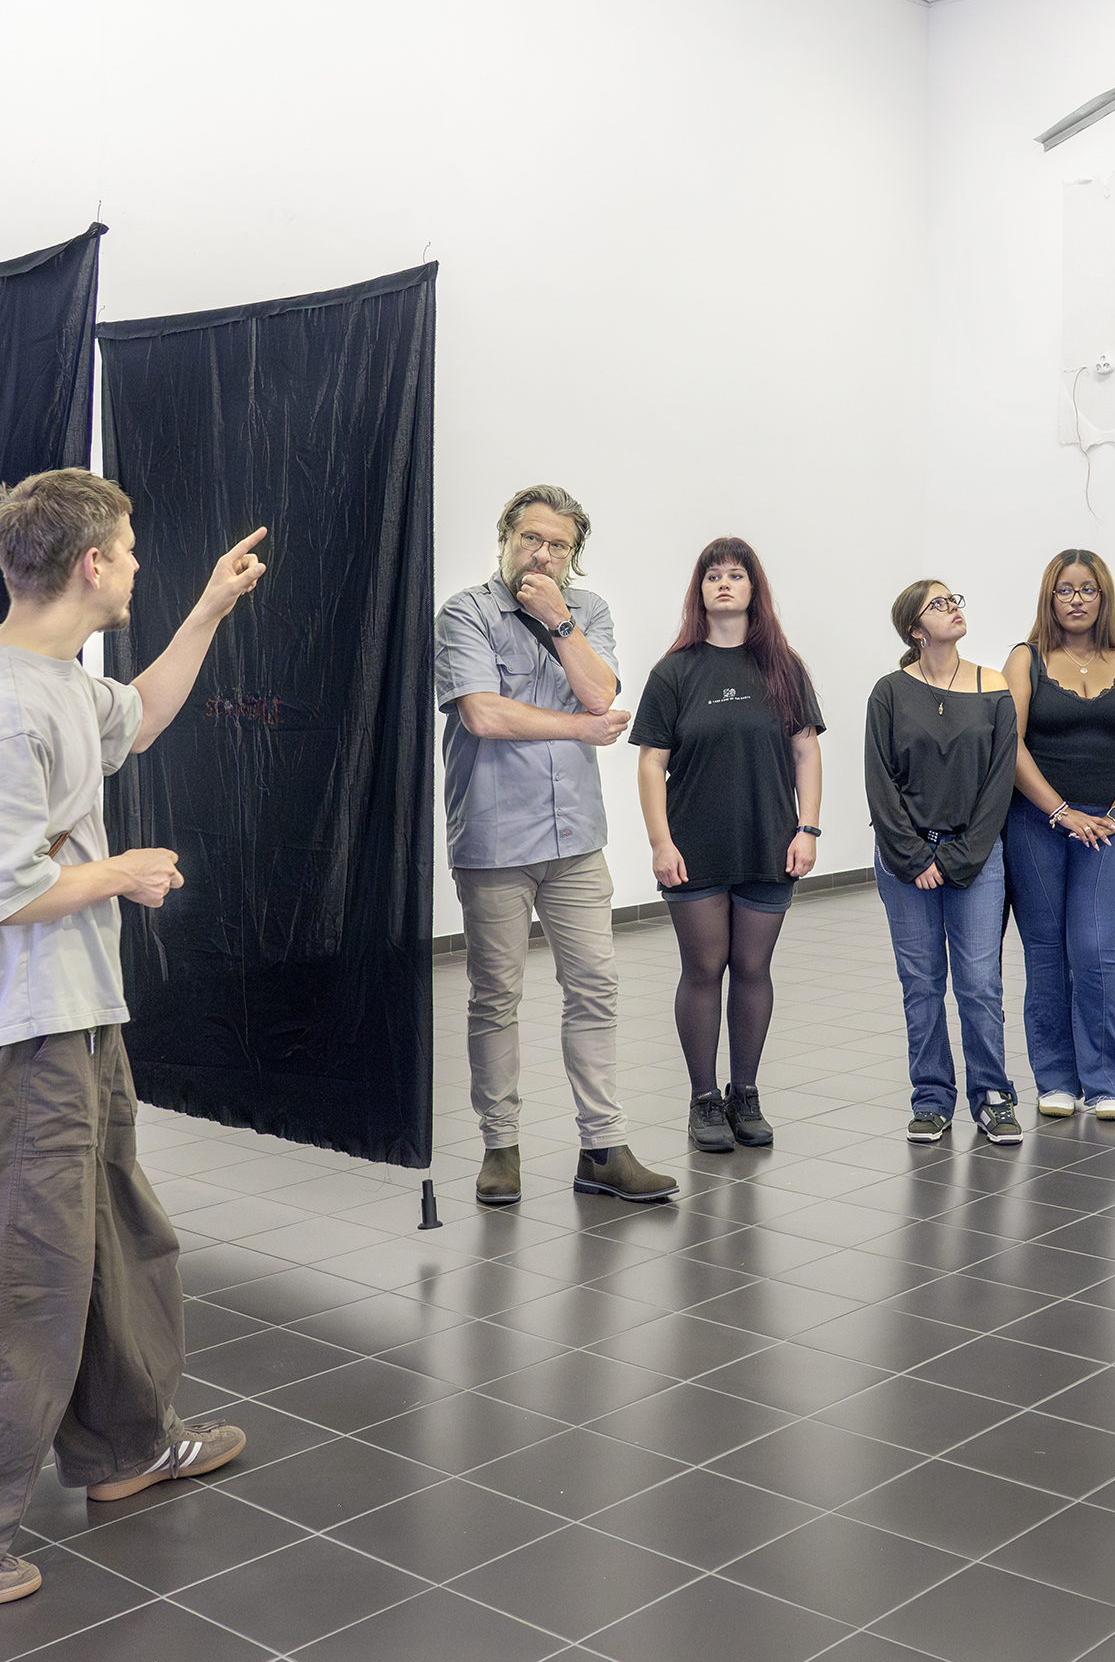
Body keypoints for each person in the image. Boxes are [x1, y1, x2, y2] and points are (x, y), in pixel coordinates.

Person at [0, 469, 265, 1608]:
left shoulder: (56, 681)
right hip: (18, 1027)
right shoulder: (3, 710)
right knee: (9, 1269)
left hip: (72, 1013)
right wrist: (122, 871)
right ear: (91, 564)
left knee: (108, 1233)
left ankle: (128, 1442)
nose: (137, 565)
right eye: (129, 550)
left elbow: (136, 716)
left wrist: (208, 609)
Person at [435, 485, 673, 1209]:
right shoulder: (466, 613)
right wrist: (578, 730)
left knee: (595, 987)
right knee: (495, 996)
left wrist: (559, 622)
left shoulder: (587, 612)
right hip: (494, 839)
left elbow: (600, 695)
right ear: (506, 537)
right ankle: (500, 1147)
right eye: (531, 539)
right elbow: (483, 715)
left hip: (576, 839)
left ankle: (603, 1148)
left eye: (558, 545)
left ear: (573, 554)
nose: (542, 555)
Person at [636, 537, 825, 1154]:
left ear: (753, 589)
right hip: (693, 847)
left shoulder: (782, 667)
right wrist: (660, 843)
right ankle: (703, 1098)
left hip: (769, 842)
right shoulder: (674, 671)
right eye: (713, 575)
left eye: (736, 575)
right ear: (700, 590)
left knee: (751, 968)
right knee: (703, 968)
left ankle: (745, 1093)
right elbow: (651, 763)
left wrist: (808, 828)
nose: (724, 583)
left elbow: (805, 752)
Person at [1005, 552, 1115, 1120]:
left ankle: (1108, 1080)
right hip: (1037, 821)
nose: (1076, 600)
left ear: (1103, 597)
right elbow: (1009, 746)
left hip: (1107, 825)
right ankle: (1055, 1079)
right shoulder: (1025, 659)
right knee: (1046, 950)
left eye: (1087, 589)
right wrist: (1061, 811)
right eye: (1065, 590)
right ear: (1050, 598)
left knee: (1094, 949)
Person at [867, 580, 1022, 1145]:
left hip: (975, 856)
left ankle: (993, 1097)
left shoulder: (994, 687)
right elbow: (880, 782)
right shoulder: (889, 692)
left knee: (980, 983)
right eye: (938, 604)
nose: (953, 607)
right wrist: (913, 856)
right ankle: (932, 1099)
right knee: (922, 983)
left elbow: (999, 782)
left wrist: (960, 857)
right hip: (904, 860)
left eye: (954, 599)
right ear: (915, 629)